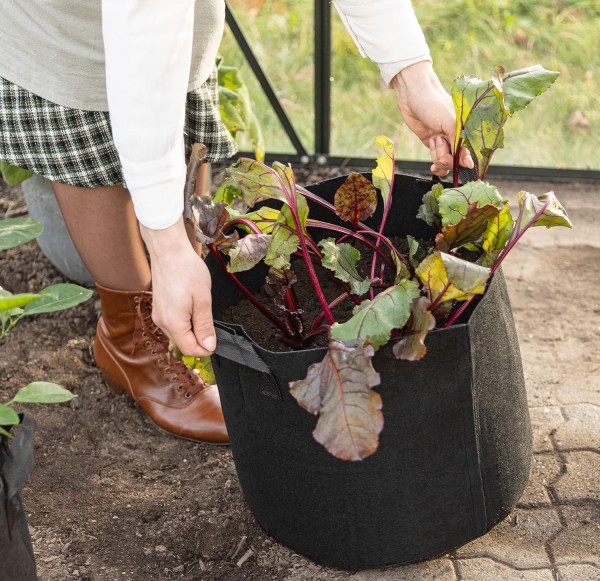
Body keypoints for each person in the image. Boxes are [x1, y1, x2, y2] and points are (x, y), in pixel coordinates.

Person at [0, 0, 473, 444]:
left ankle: (179, 312)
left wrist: (413, 75)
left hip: (157, 18)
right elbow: (145, 33)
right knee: (85, 102)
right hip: (72, 17)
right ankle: (131, 340)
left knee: (181, 76)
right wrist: (165, 245)